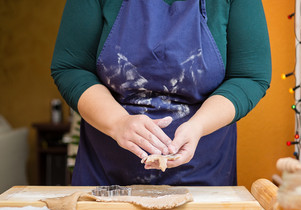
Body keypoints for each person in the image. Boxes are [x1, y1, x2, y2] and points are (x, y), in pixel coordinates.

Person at [51, 0, 271, 186]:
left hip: (203, 175)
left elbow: (249, 76)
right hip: (107, 178)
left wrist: (198, 126)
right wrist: (117, 122)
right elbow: (72, 68)